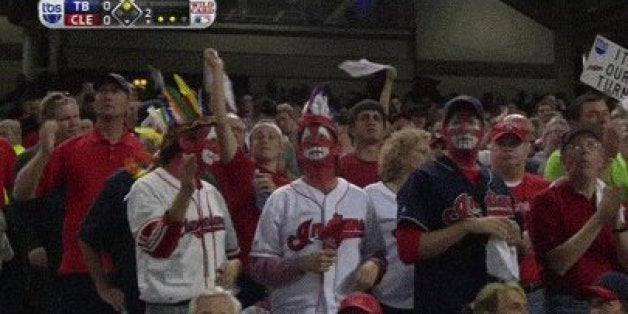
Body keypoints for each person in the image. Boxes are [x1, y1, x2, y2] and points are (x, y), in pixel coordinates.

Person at [13, 73, 147, 313]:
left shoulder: (142, 153)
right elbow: (22, 194)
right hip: (79, 267)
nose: (107, 96)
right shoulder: (71, 150)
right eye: (102, 91)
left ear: (129, 102)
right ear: (93, 101)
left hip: (129, 265)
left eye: (115, 91)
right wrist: (44, 153)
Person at [248, 85, 386, 314]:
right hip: (293, 308)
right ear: (298, 149)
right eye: (306, 139)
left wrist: (374, 265)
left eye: (322, 137)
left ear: (337, 148)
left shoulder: (359, 197)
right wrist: (300, 264)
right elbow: (258, 266)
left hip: (347, 308)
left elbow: (377, 253)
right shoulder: (281, 199)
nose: (314, 143)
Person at [397, 95, 522, 314]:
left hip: (494, 304)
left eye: (472, 122)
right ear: (444, 131)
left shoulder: (496, 181)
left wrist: (515, 236)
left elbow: (516, 241)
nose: (464, 127)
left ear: (483, 131)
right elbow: (409, 249)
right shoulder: (424, 178)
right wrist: (467, 226)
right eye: (456, 122)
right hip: (443, 303)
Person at [126, 116, 241, 312]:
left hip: (216, 304)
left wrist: (234, 265)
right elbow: (158, 247)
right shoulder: (146, 188)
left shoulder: (210, 190)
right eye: (212, 141)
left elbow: (233, 252)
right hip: (172, 307)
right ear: (185, 142)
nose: (218, 148)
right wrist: (185, 192)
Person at [204, 48, 291, 307]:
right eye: (258, 136)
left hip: (280, 272)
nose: (264, 139)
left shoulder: (292, 187)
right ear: (249, 147)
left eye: (271, 136)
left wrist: (275, 192)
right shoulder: (241, 169)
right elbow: (220, 122)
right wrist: (218, 72)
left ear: (282, 147)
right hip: (242, 271)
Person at [529, 125, 628, 314]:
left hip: (613, 299)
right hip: (570, 298)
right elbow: (559, 265)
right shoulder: (546, 201)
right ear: (564, 160)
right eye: (575, 147)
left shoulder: (610, 198)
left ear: (602, 160)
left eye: (592, 146)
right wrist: (600, 218)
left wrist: (616, 222)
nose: (584, 151)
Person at [8, 92, 82, 314]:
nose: (72, 123)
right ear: (48, 123)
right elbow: (19, 207)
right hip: (46, 241)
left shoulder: (84, 151)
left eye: (76, 117)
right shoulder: (30, 158)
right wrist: (31, 244)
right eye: (65, 119)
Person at [365, 128, 432, 314]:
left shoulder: (431, 196)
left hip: (425, 295)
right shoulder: (371, 195)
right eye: (422, 152)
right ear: (401, 156)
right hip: (385, 294)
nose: (430, 158)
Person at [489, 116, 550, 314]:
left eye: (514, 143)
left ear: (528, 148)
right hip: (488, 290)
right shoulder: (475, 186)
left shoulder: (545, 190)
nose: (508, 149)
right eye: (501, 143)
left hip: (531, 290)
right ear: (491, 147)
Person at [339, 99, 387, 187]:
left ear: (384, 131)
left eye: (377, 118)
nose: (371, 122)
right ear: (352, 129)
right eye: (365, 118)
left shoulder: (392, 167)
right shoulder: (340, 166)